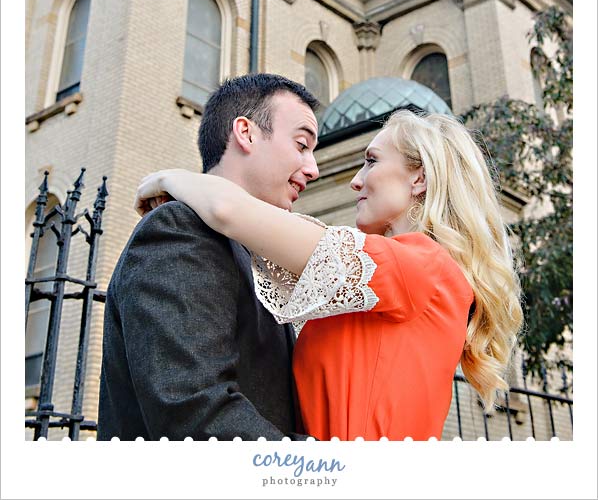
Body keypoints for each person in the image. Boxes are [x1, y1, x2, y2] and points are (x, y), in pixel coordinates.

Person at [135, 108, 524, 441]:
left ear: (418, 178)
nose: (356, 180)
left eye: (371, 161)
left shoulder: (422, 265)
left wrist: (166, 179)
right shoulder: (387, 280)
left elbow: (228, 211)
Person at [97, 73, 320, 440]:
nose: (313, 169)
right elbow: (195, 415)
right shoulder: (178, 229)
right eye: (301, 144)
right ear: (245, 133)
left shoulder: (256, 253)